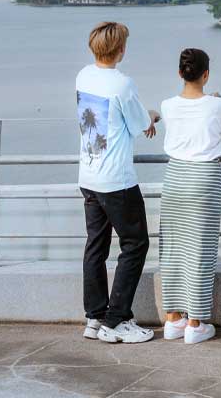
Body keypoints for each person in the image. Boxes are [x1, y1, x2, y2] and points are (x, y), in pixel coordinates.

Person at [77, 21, 159, 344]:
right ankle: (117, 320)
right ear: (121, 50)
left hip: (88, 176)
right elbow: (140, 123)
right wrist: (153, 115)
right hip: (116, 181)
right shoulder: (122, 84)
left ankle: (95, 317)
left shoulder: (83, 76)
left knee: (95, 246)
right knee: (136, 244)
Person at [159, 48, 221, 344]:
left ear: (179, 73)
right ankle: (196, 323)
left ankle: (172, 319)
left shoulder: (167, 105)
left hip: (174, 177)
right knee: (200, 250)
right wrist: (214, 99)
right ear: (206, 75)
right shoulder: (220, 105)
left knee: (173, 248)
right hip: (204, 177)